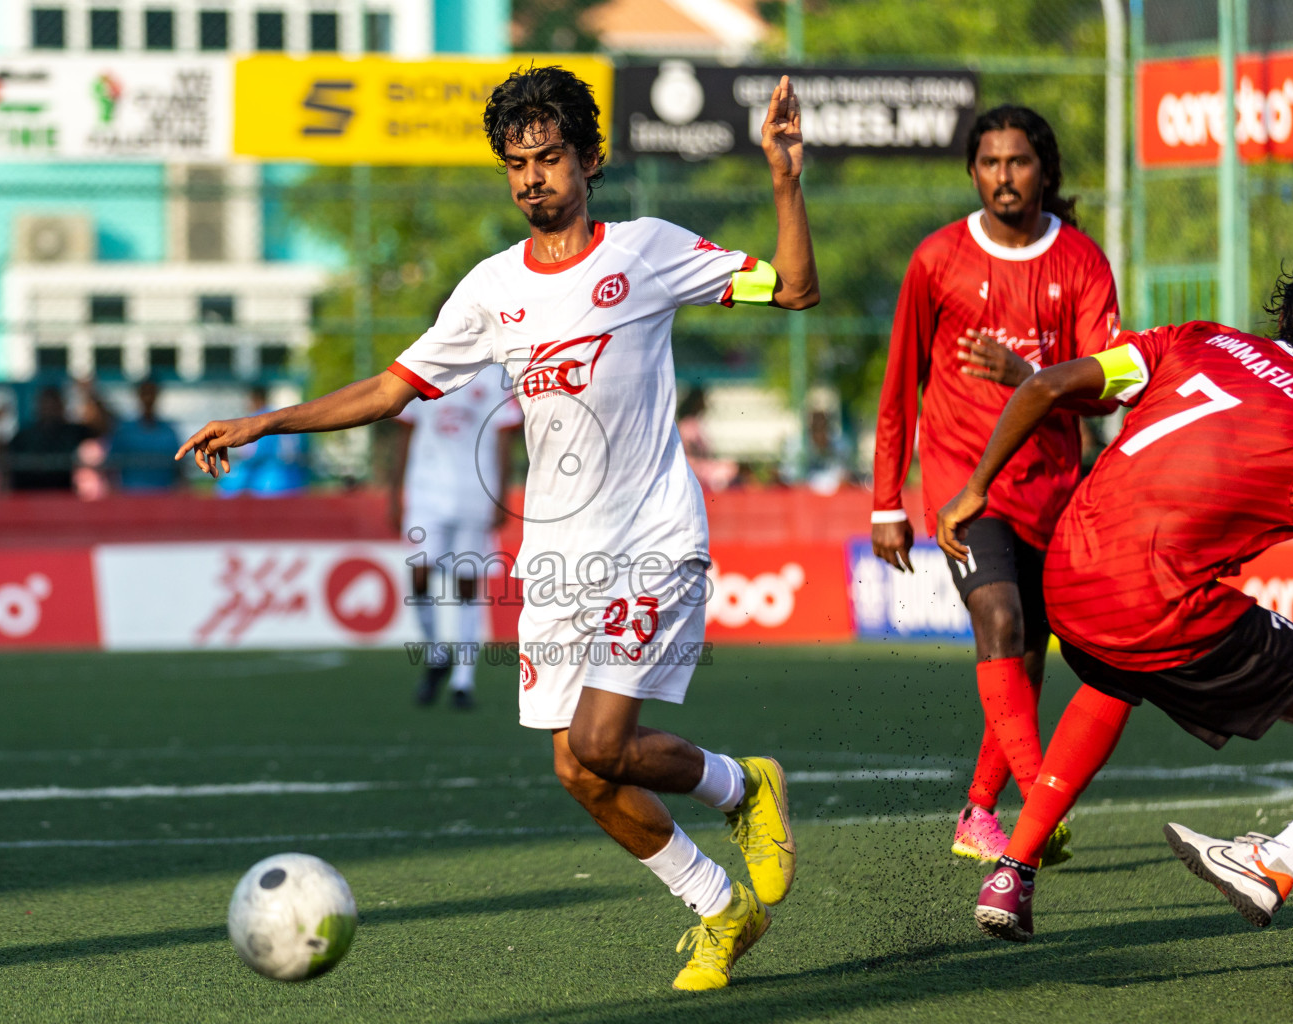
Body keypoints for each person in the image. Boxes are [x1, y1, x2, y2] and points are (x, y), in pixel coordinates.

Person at [177, 65, 818, 990]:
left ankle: (740, 784)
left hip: (653, 539)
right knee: (576, 770)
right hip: (557, 554)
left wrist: (784, 175)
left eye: (549, 158)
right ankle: (720, 906)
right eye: (516, 163)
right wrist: (267, 420)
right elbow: (391, 388)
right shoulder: (489, 289)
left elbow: (794, 288)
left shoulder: (647, 250)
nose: (531, 179)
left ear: (590, 161)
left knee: (601, 742)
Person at [938, 230, 1293, 943]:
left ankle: (1014, 869)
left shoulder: (1200, 339)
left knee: (1121, 672)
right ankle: (1277, 860)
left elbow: (1046, 384)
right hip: (1150, 602)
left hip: (1070, 574)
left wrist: (971, 491)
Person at [870, 105, 1120, 864]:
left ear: (1044, 169)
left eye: (1018, 161)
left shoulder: (1079, 260)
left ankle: (979, 812)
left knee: (1028, 652)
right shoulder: (938, 259)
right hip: (961, 490)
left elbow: (1108, 387)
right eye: (989, 162)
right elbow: (900, 381)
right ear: (972, 171)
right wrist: (887, 502)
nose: (1003, 176)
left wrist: (1032, 380)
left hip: (1050, 490)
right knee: (1003, 622)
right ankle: (1042, 797)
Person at [388, 361, 523, 709]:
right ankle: (436, 653)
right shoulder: (420, 368)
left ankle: (464, 680)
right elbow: (403, 433)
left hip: (475, 492)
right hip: (426, 494)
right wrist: (394, 494)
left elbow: (504, 436)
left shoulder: (496, 378)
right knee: (419, 576)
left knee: (467, 584)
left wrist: (501, 495)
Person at [216, 386, 309, 497]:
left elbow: (253, 455)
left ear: (255, 400)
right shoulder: (280, 415)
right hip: (292, 479)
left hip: (270, 481)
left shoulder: (256, 421)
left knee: (228, 488)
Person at [5, 386, 89, 492]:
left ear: (61, 406)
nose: (49, 410)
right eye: (45, 405)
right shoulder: (23, 437)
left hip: (67, 493)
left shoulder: (77, 432)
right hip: (30, 494)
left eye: (53, 405)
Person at [110, 379, 182, 493]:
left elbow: (180, 469)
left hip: (163, 498)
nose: (148, 398)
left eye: (151, 393)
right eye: (145, 393)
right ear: (138, 396)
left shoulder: (169, 432)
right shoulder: (124, 431)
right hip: (130, 497)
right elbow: (111, 467)